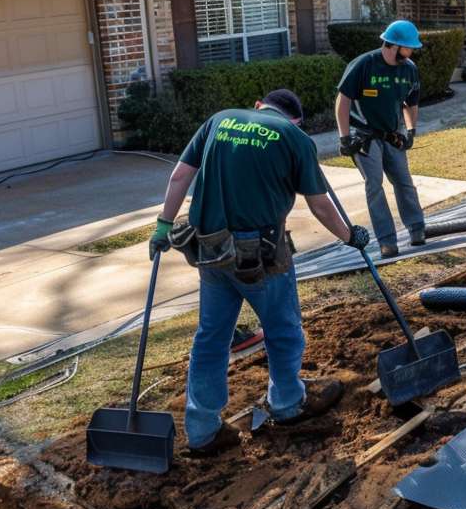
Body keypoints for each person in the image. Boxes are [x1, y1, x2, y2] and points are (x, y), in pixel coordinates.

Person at [148, 89, 370, 456]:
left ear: (258, 106)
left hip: (210, 251)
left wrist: (163, 226)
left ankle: (202, 430)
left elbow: (180, 176)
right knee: (283, 330)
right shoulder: (294, 138)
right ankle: (287, 403)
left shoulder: (219, 120)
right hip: (260, 256)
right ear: (295, 121)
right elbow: (319, 205)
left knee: (212, 337)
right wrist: (350, 236)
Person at [335, 20, 425, 259]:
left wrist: (411, 130)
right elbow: (342, 101)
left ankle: (417, 228)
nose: (412, 51)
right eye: (409, 47)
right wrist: (344, 137)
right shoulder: (364, 65)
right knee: (374, 185)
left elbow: (411, 102)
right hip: (363, 136)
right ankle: (387, 241)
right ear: (394, 45)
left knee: (404, 181)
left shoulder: (409, 69)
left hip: (392, 133)